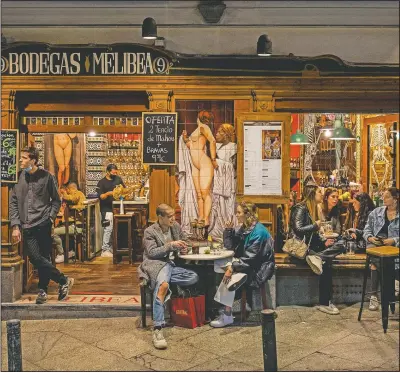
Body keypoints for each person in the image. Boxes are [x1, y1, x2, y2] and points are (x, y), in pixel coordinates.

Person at [9, 146, 74, 304]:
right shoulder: (17, 178)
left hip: (43, 223)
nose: (20, 160)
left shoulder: (47, 177)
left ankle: (43, 291)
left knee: (44, 257)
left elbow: (56, 201)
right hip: (27, 225)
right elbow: (13, 203)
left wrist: (50, 218)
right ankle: (63, 280)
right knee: (35, 258)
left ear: (33, 160)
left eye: (24, 158)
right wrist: (15, 226)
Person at [138, 204, 199, 349]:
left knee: (193, 276)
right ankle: (158, 329)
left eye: (173, 215)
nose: (173, 218)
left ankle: (160, 282)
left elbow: (187, 241)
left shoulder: (175, 226)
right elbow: (152, 253)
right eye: (170, 216)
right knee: (163, 287)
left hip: (171, 265)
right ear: (160, 217)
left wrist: (185, 247)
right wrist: (170, 245)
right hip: (156, 264)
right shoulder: (150, 231)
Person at [210, 202, 275, 328]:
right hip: (250, 265)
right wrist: (228, 231)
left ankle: (226, 314)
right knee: (220, 266)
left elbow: (250, 258)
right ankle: (223, 308)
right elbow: (231, 246)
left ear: (247, 214)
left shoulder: (258, 232)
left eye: (239, 212)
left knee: (230, 275)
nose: (237, 215)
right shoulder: (246, 227)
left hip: (259, 270)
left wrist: (232, 267)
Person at [289, 181, 345, 315]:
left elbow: (313, 235)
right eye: (320, 192)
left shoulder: (312, 208)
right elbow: (297, 229)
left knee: (341, 245)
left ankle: (319, 257)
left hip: (310, 248)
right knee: (326, 264)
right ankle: (325, 303)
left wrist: (323, 243)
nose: (321, 194)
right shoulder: (301, 208)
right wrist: (315, 225)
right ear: (312, 193)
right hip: (299, 249)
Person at [363, 187, 399, 311]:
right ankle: (393, 282)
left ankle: (375, 294)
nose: (383, 198)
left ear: (395, 199)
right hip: (377, 244)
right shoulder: (376, 212)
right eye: (383, 196)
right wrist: (370, 238)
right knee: (375, 256)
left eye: (387, 196)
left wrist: (394, 240)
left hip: (394, 248)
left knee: (375, 263)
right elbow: (366, 229)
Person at [181, 110, 218, 229]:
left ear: (199, 117)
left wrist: (213, 158)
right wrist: (185, 138)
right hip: (195, 165)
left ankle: (206, 219)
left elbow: (212, 140)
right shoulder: (197, 130)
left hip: (204, 163)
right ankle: (201, 216)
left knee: (204, 192)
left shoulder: (204, 128)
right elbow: (191, 147)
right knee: (198, 194)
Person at [208, 123, 237, 237]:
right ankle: (217, 232)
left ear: (226, 134)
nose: (217, 134)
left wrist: (216, 162)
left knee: (227, 208)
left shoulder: (233, 147)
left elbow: (233, 167)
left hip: (228, 186)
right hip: (218, 184)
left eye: (220, 132)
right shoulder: (218, 147)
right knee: (217, 207)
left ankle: (227, 231)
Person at [96, 164, 125, 257]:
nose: (115, 174)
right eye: (113, 173)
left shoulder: (118, 179)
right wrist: (109, 193)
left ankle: (112, 247)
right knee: (108, 228)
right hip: (106, 209)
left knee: (116, 229)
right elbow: (101, 196)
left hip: (117, 208)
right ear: (107, 172)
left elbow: (124, 190)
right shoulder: (101, 183)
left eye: (116, 172)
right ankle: (104, 249)